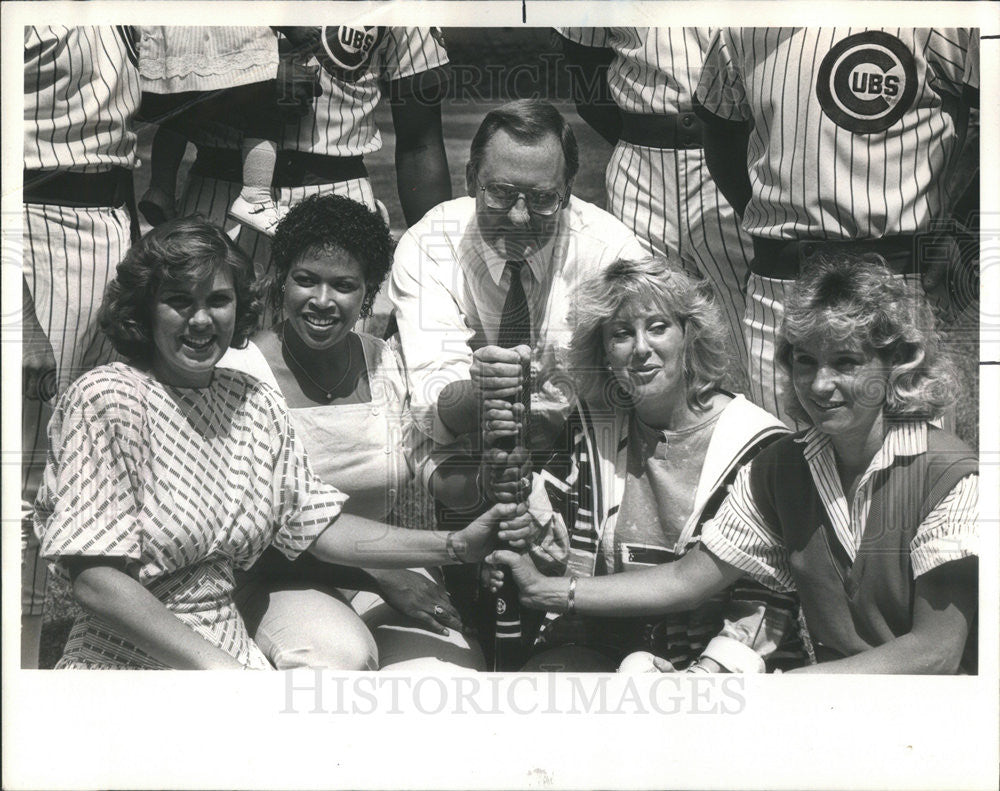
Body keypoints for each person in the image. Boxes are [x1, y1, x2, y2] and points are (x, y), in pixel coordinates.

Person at [33, 217, 522, 670]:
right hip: (124, 660)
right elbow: (95, 580)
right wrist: (226, 674)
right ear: (143, 306)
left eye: (218, 301)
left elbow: (318, 525)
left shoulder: (249, 399)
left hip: (225, 644)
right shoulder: (107, 398)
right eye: (180, 301)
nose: (201, 320)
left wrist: (456, 545)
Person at [492, 256, 979, 674]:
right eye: (806, 361)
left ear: (897, 366)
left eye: (847, 363)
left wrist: (789, 690)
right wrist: (547, 590)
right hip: (828, 705)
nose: (820, 384)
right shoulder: (786, 467)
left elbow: (937, 652)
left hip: (934, 715)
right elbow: (687, 580)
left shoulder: (951, 474)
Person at [387, 99, 646, 666]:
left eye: (543, 198)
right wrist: (480, 393)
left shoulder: (613, 252)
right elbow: (434, 404)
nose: (521, 216)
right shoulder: (430, 242)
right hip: (465, 453)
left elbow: (644, 387)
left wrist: (558, 414)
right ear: (469, 179)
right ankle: (465, 606)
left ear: (570, 189)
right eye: (501, 194)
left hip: (580, 448)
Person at [483, 257, 804, 672]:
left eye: (657, 327)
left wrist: (705, 673)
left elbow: (767, 600)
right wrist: (519, 542)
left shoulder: (760, 445)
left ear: (690, 335)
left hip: (720, 663)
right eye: (620, 334)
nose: (640, 349)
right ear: (602, 350)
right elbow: (552, 549)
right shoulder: (590, 426)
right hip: (598, 643)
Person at [219, 194, 490, 671]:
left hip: (386, 568)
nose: (322, 301)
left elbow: (440, 472)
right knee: (337, 658)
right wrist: (380, 576)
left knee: (447, 676)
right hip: (274, 578)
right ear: (280, 279)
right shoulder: (239, 373)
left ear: (368, 292)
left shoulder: (385, 362)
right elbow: (245, 539)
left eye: (343, 285)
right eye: (306, 280)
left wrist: (498, 469)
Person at [693, 27, 979, 424]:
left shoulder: (945, 19)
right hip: (783, 289)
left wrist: (965, 235)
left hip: (898, 281)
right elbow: (721, 130)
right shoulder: (743, 20)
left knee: (908, 469)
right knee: (786, 462)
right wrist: (775, 233)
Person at [21, 25, 142, 668]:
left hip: (107, 229)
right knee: (23, 478)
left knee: (84, 474)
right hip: (34, 234)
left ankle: (50, 662)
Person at [177, 26, 451, 293]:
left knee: (333, 335)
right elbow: (157, 92)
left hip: (339, 199)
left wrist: (434, 267)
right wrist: (253, 83)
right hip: (218, 197)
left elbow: (419, 143)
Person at [557, 28, 753, 390]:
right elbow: (585, 71)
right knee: (642, 327)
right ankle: (659, 445)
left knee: (756, 330)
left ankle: (766, 441)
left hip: (734, 155)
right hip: (641, 161)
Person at [135, 27, 286, 235]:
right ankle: (255, 195)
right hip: (217, 181)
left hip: (189, 38)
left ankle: (160, 188)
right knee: (263, 92)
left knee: (179, 110)